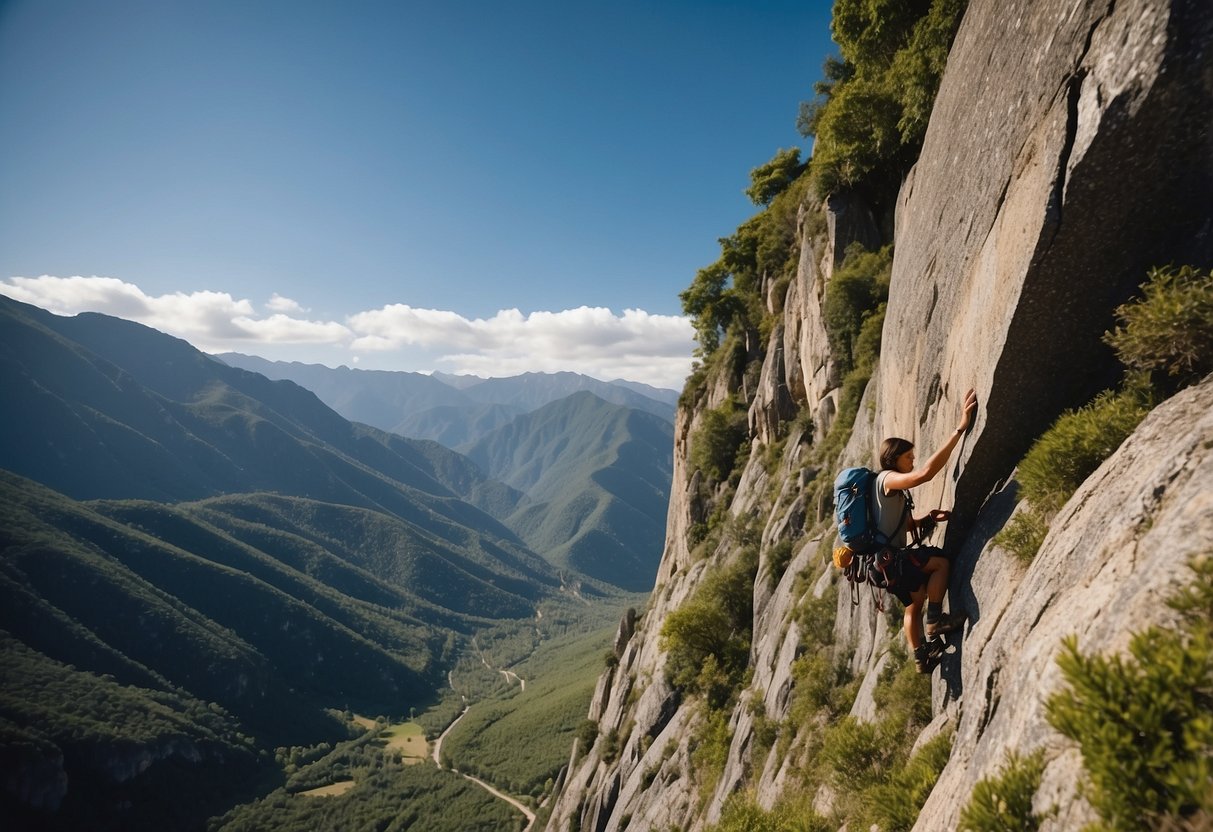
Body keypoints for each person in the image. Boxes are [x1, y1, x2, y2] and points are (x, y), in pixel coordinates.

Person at [873, 388, 978, 673]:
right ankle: (936, 623)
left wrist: (926, 520)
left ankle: (920, 656)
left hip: (884, 564)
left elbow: (905, 525)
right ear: (894, 459)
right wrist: (959, 430)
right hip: (891, 561)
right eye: (908, 457)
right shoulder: (888, 479)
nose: (912, 461)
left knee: (914, 603)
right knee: (941, 563)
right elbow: (924, 475)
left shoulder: (884, 490)